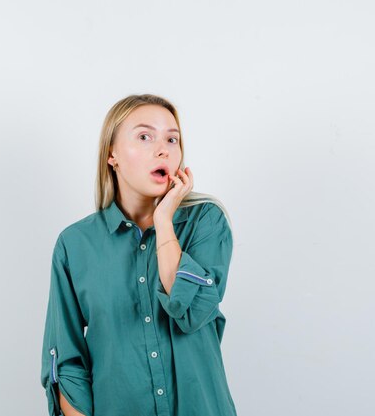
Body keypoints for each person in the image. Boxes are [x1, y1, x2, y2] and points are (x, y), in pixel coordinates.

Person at [40, 94, 237, 416]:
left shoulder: (206, 221)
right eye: (145, 136)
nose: (163, 149)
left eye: (172, 139)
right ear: (112, 155)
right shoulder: (75, 244)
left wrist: (163, 220)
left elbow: (190, 310)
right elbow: (66, 360)